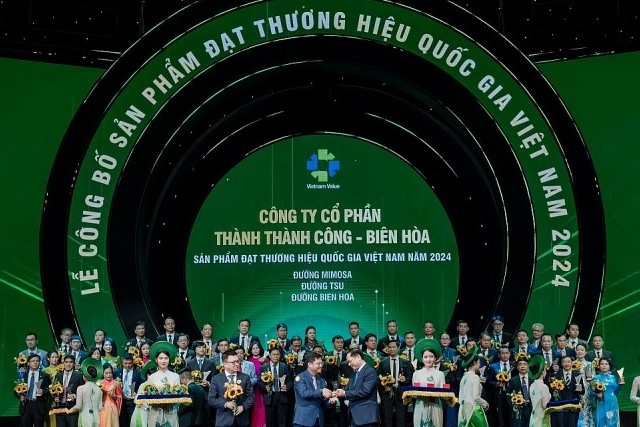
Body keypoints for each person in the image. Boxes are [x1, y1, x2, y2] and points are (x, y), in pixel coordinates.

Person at [134, 341, 182, 427]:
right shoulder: (151, 377)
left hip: (171, 413)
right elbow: (147, 397)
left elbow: (179, 396)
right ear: (156, 360)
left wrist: (172, 404)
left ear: (169, 359)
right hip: (155, 414)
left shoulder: (176, 376)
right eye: (161, 358)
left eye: (166, 358)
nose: (163, 361)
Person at [208, 350, 255, 427]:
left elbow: (251, 396)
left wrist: (243, 406)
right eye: (233, 362)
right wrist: (225, 404)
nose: (237, 364)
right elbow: (211, 399)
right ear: (225, 364)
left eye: (238, 361)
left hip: (242, 420)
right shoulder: (216, 379)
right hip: (224, 421)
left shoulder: (245, 378)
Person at [335, 349, 380, 427]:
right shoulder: (353, 375)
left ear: (358, 357)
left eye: (350, 361)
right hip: (354, 417)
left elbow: (365, 391)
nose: (349, 364)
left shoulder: (370, 371)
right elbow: (347, 391)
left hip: (367, 417)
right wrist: (336, 394)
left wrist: (344, 393)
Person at [293, 351, 336, 427]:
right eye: (318, 363)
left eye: (321, 363)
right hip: (303, 420)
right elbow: (303, 393)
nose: (321, 366)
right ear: (309, 364)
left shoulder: (321, 380)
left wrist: (329, 400)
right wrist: (321, 391)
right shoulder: (300, 378)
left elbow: (322, 401)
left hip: (318, 420)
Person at [412, 338, 446, 427]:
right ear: (422, 359)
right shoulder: (417, 374)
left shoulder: (440, 374)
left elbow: (444, 393)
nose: (428, 359)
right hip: (421, 405)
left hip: (436, 406)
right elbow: (413, 394)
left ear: (435, 358)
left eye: (431, 356)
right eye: (426, 357)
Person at [259, 347, 292, 427]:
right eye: (273, 354)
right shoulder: (263, 368)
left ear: (280, 355)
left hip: (282, 397)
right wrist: (265, 387)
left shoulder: (285, 366)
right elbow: (259, 383)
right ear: (269, 355)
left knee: (282, 423)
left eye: (277, 354)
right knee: (270, 422)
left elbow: (291, 382)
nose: (276, 356)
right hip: (270, 398)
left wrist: (286, 387)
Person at [458, 346, 489, 427]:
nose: (479, 364)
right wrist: (485, 404)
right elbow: (476, 397)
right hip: (473, 408)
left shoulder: (464, 377)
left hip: (464, 409)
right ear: (475, 363)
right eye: (479, 362)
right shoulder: (475, 377)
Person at [69, 358, 104, 427]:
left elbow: (78, 406)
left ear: (84, 375)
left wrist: (70, 410)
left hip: (85, 417)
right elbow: (100, 408)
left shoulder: (81, 388)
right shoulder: (99, 390)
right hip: (96, 418)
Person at [590, 357, 623, 427]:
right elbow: (591, 392)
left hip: (612, 402)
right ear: (599, 366)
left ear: (609, 366)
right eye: (602, 364)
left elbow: (615, 392)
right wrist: (597, 395)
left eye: (606, 364)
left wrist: (619, 384)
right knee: (601, 421)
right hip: (601, 402)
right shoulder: (596, 378)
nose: (604, 366)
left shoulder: (612, 377)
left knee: (613, 422)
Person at [16, 353, 47, 427]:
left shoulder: (44, 376)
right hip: (26, 404)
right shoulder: (23, 375)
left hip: (38, 405)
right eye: (33, 361)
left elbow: (48, 390)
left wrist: (43, 391)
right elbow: (16, 389)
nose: (35, 362)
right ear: (28, 363)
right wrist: (19, 395)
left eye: (37, 361)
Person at [114, 353, 141, 427]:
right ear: (122, 362)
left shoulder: (137, 373)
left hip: (132, 401)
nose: (128, 365)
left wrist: (137, 393)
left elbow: (141, 386)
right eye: (125, 363)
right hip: (121, 401)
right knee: (122, 422)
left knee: (132, 421)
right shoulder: (117, 372)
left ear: (132, 362)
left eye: (130, 363)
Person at [574, 343, 595, 427]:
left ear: (586, 352)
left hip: (586, 389)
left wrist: (589, 376)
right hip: (574, 389)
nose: (580, 352)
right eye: (578, 350)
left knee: (586, 408)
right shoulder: (571, 363)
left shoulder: (589, 364)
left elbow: (593, 378)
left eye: (582, 350)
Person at [527, 355, 551, 427]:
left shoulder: (532, 385)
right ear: (543, 372)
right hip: (542, 419)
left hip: (533, 418)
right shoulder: (544, 387)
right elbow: (545, 406)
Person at [248, 342, 267, 427]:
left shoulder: (265, 360)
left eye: (257, 348)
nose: (255, 350)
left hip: (263, 389)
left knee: (262, 408)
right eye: (253, 348)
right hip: (253, 389)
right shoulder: (249, 361)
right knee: (254, 408)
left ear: (260, 349)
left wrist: (264, 363)